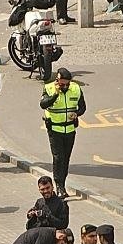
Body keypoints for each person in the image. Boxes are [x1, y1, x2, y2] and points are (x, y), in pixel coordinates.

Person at [40, 68, 85, 198]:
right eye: (62, 84)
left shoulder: (76, 88)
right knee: (58, 158)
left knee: (65, 159)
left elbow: (82, 107)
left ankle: (62, 183)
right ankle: (59, 186)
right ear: (57, 81)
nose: (65, 87)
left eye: (67, 84)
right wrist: (55, 94)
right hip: (55, 130)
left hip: (70, 129)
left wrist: (77, 114)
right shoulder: (49, 88)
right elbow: (43, 104)